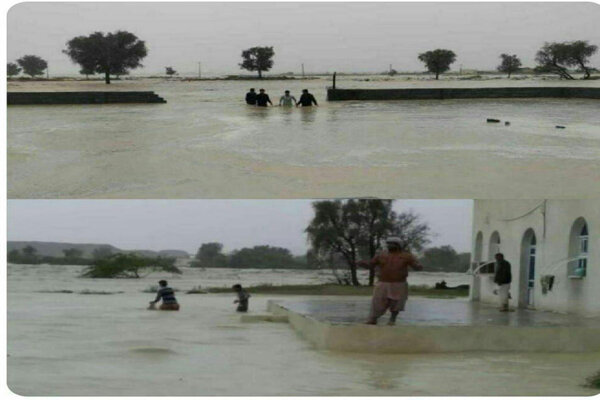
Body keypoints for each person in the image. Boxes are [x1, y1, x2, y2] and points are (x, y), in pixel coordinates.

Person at [359, 237, 423, 325]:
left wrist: (418, 266)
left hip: (399, 283)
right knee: (377, 301)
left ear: (398, 245)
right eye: (388, 243)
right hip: (383, 283)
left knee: (396, 303)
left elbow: (417, 267)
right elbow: (370, 265)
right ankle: (373, 319)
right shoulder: (381, 255)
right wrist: (362, 263)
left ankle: (392, 320)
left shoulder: (407, 256)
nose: (389, 245)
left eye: (392, 243)